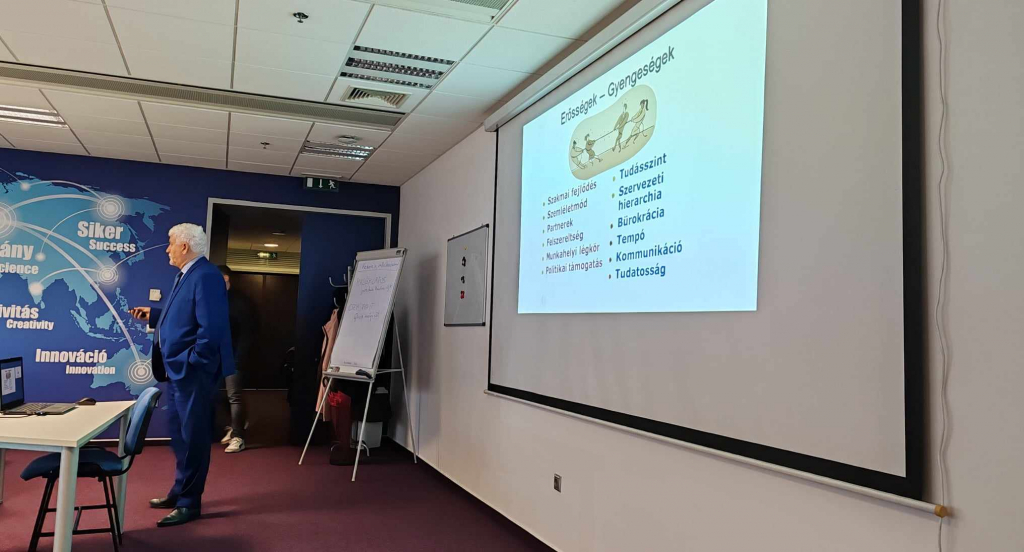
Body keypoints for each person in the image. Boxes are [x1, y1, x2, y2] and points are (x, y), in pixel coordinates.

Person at [129, 223, 234, 528]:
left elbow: (211, 327)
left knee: (194, 438)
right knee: (180, 434)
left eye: (171, 243)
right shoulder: (186, 274)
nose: (167, 249)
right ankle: (179, 491)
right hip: (178, 371)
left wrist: (194, 361)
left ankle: (189, 502)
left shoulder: (206, 275)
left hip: (192, 372)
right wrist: (156, 315)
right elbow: (184, 314)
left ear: (185, 246)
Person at [218, 265, 257, 453]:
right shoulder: (214, 299)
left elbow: (248, 334)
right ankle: (236, 424)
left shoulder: (241, 303)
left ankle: (238, 437)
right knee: (216, 393)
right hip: (215, 356)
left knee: (234, 396)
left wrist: (239, 358)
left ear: (225, 279)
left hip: (234, 357)